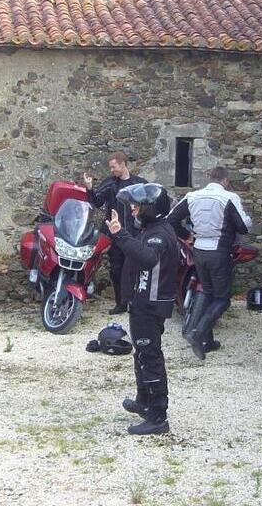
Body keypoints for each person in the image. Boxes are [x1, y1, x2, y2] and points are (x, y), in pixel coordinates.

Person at [106, 183, 178, 435]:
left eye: (137, 206)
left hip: (151, 305)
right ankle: (144, 401)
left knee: (150, 357)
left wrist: (119, 233)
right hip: (141, 303)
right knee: (141, 353)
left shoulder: (160, 234)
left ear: (151, 208)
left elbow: (147, 258)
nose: (133, 210)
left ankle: (158, 416)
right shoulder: (151, 229)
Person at [168, 166, 252, 360]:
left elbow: (171, 219)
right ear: (225, 181)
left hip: (198, 249)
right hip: (219, 250)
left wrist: (187, 235)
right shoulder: (229, 198)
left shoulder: (192, 196)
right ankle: (198, 334)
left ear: (210, 179)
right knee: (222, 299)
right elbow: (243, 226)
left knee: (207, 291)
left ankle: (209, 341)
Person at [83, 151, 146, 315]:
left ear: (123, 164)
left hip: (135, 235)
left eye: (113, 167)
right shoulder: (110, 184)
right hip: (116, 236)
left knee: (136, 271)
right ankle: (121, 303)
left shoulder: (139, 184)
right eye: (110, 167)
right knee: (116, 270)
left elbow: (151, 204)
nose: (112, 170)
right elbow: (96, 201)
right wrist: (89, 188)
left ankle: (136, 302)